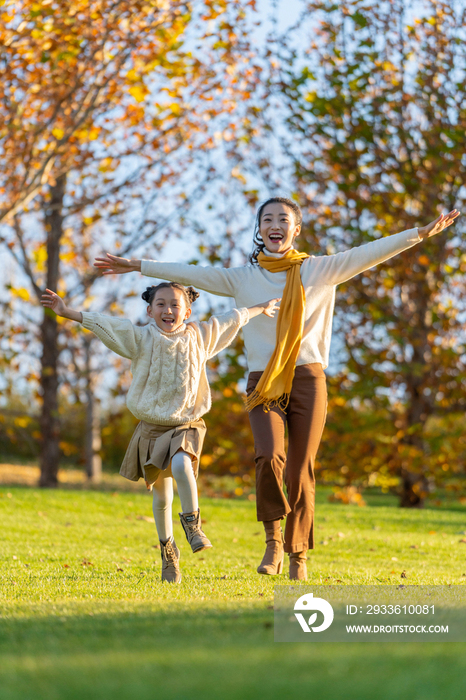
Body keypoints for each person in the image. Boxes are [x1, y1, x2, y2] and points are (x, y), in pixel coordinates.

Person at [93, 199, 459, 580]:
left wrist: (420, 233)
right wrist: (136, 266)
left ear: (296, 229)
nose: (275, 225)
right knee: (269, 456)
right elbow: (192, 273)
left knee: (300, 470)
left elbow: (372, 252)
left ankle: (298, 554)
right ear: (260, 228)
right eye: (267, 219)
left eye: (283, 219)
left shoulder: (320, 269)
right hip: (263, 382)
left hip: (307, 379)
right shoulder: (243, 278)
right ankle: (273, 540)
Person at [41, 282, 280, 583]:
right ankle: (169, 553)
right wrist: (67, 312)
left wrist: (260, 308)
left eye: (175, 304)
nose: (168, 310)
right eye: (161, 304)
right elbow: (107, 324)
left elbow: (231, 319)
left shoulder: (200, 336)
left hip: (187, 424)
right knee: (162, 498)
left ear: (187, 311)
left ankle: (193, 525)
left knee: (182, 464)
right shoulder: (141, 338)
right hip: (152, 428)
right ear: (150, 310)